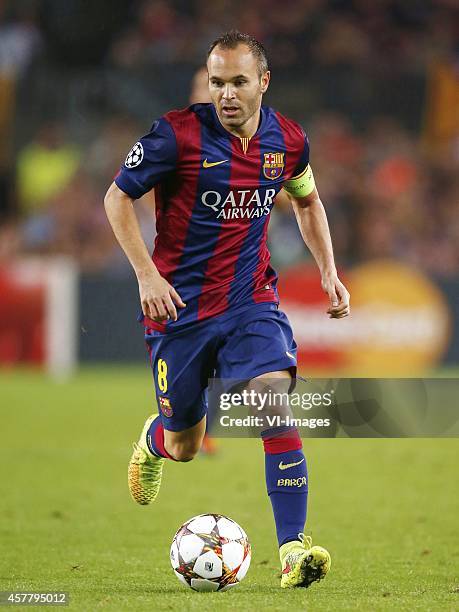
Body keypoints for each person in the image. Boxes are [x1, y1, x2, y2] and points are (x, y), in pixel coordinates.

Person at [104, 30, 350, 589]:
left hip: (249, 303)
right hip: (179, 314)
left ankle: (293, 549)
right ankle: (157, 440)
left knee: (270, 400)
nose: (227, 94)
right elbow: (117, 197)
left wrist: (329, 271)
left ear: (263, 81)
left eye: (239, 82)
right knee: (186, 446)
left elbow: (306, 200)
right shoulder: (175, 135)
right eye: (218, 83)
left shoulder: (287, 141)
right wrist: (147, 273)